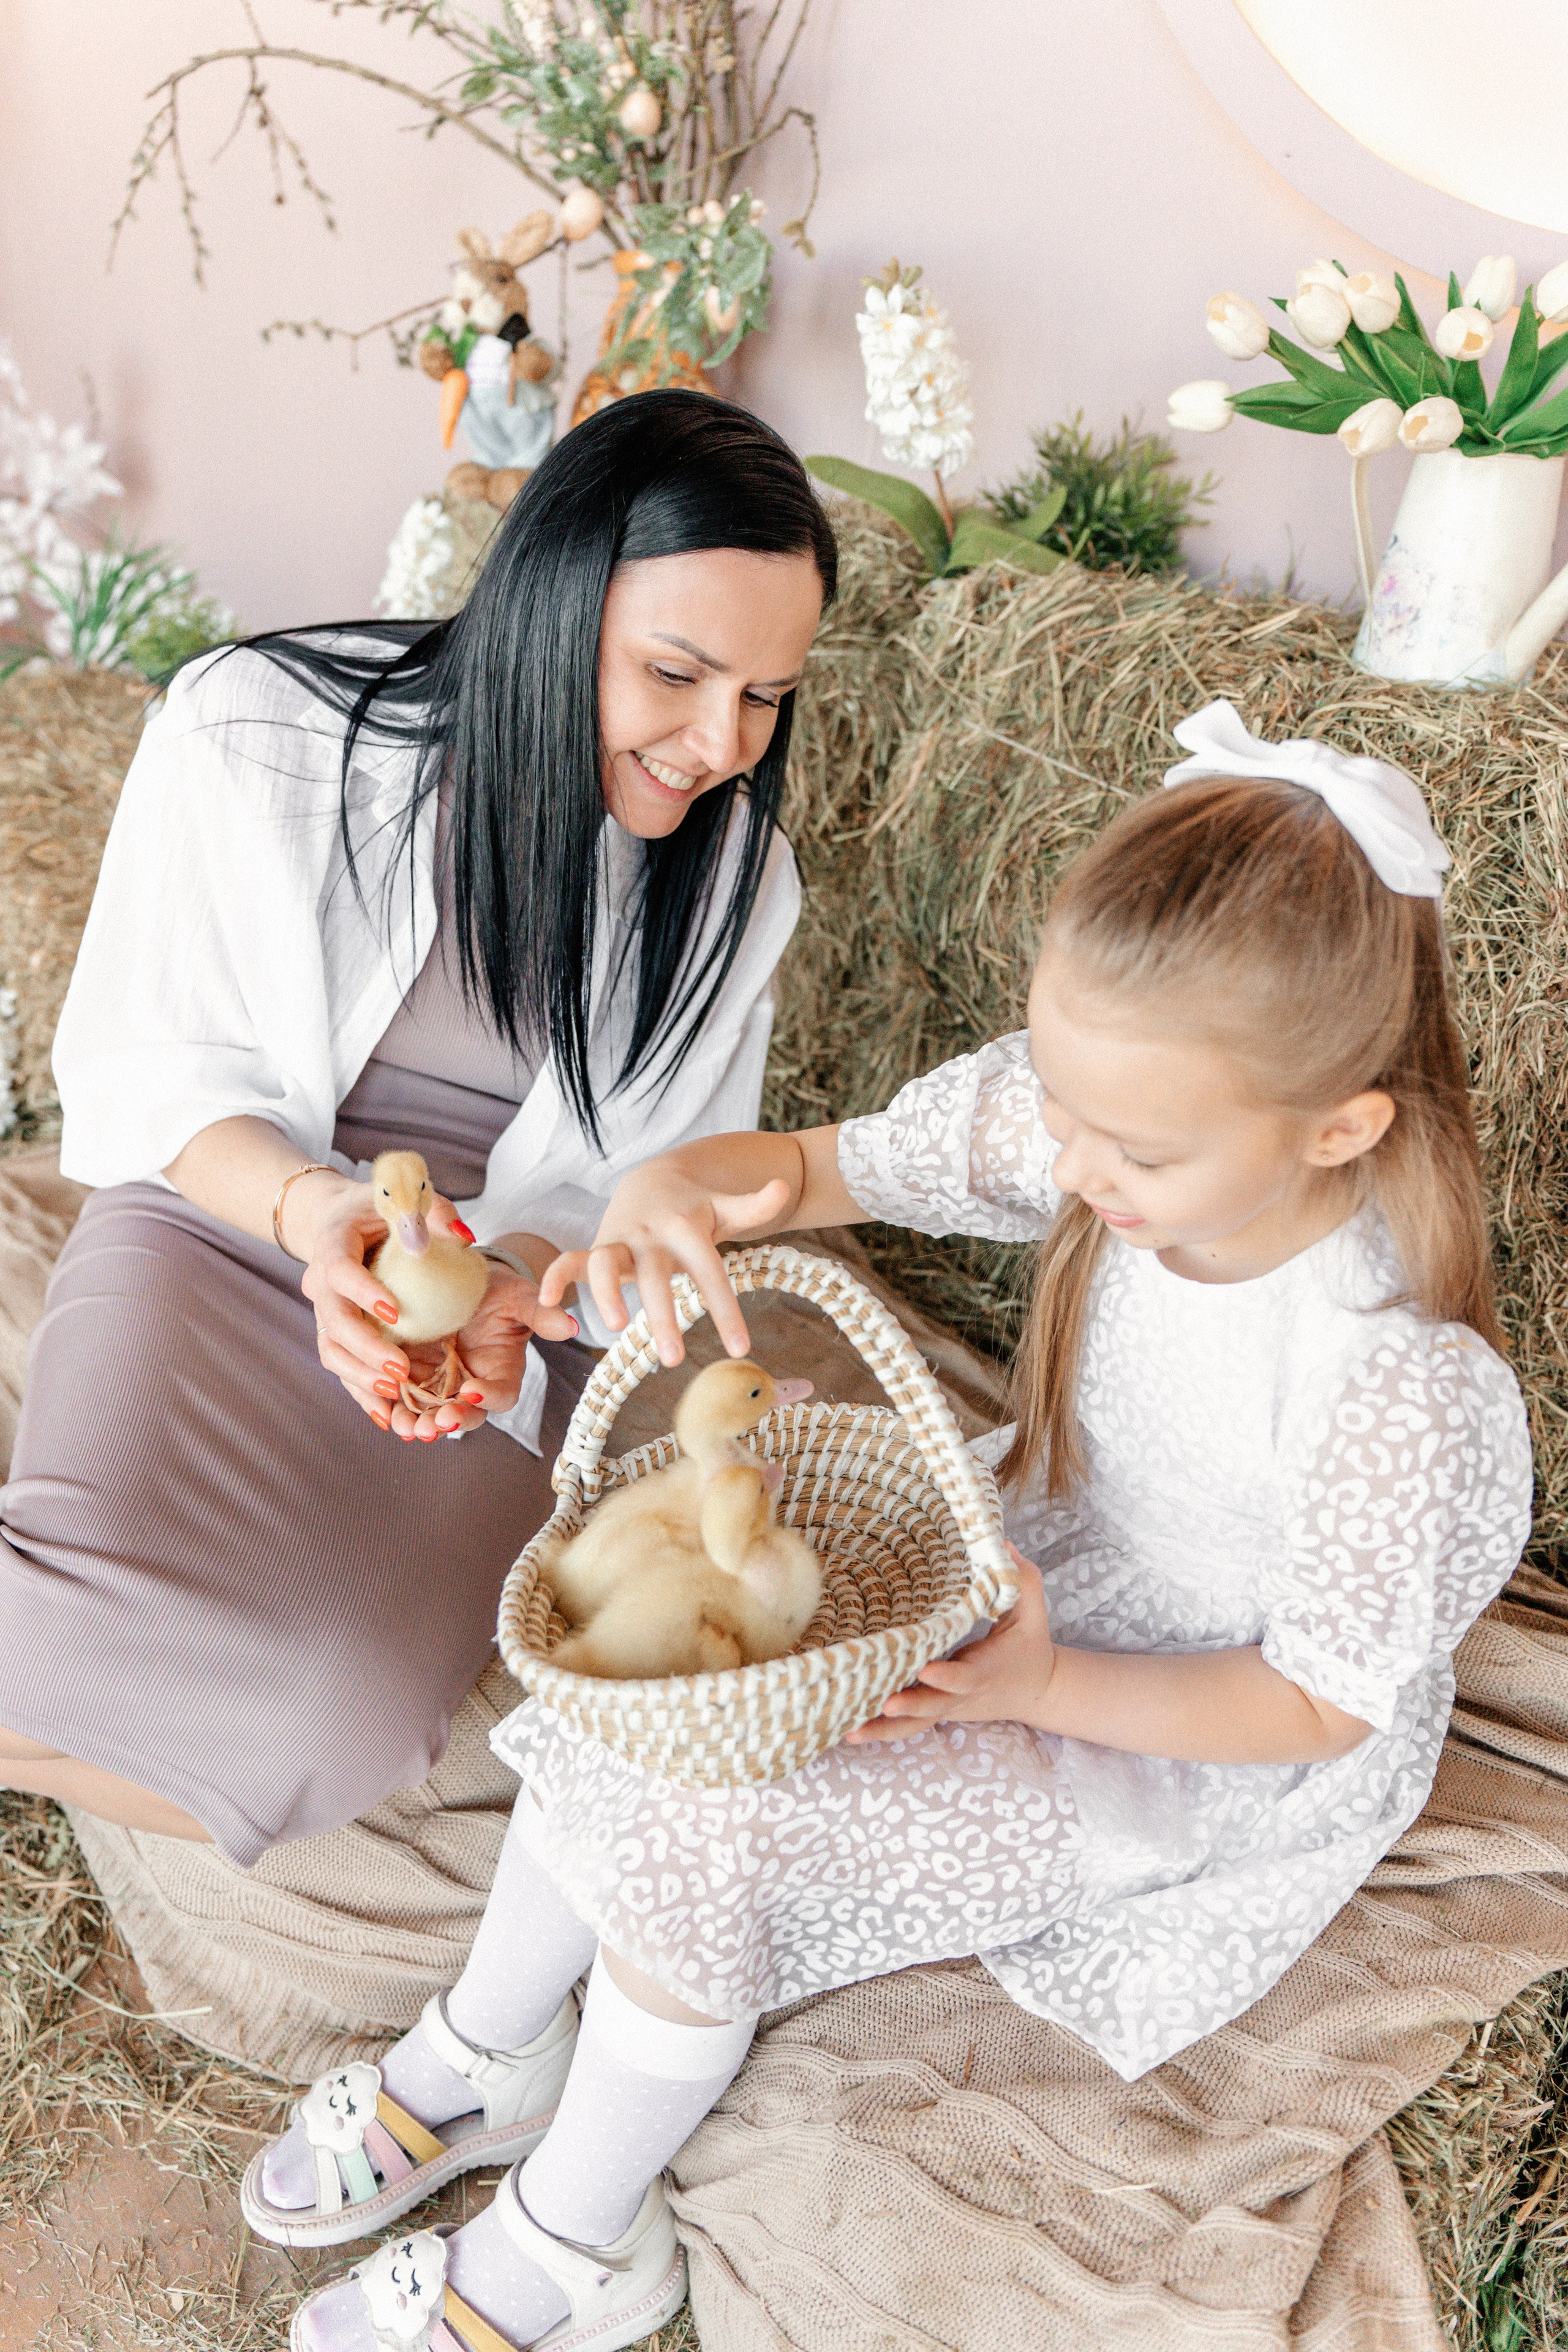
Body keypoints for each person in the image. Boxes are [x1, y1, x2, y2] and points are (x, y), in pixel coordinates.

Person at [262, 701, 1532, 2352]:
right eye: (1061, 1109)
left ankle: (577, 2239)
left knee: (722, 1832)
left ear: (1339, 1128)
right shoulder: (1106, 1126)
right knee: (647, 1706)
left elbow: (1318, 1704)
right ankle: (486, 2054)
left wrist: (1040, 1691)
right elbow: (804, 1169)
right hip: (1028, 1574)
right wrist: (673, 1190)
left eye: (1126, 1146)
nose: (1074, 1164)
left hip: (1173, 1723)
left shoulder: (1391, 1387)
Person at [0, 389, 834, 1872]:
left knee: (352, 1717)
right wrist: (322, 1223)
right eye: (675, 673)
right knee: (53, 1623)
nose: (720, 743)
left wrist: (506, 1281)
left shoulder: (733, 883)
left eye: (766, 695)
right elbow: (147, 1071)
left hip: (490, 1321)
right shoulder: (256, 729)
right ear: (551, 599)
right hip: (232, 1218)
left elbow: (638, 1186)